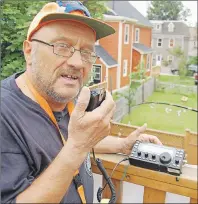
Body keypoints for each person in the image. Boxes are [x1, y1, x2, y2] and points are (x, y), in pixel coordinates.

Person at [1, 1, 162, 203]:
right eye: (62, 46)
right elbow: (75, 144)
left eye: (86, 52)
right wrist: (77, 148)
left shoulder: (66, 99)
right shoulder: (5, 114)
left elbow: (67, 140)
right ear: (29, 51)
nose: (77, 63)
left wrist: (123, 144)